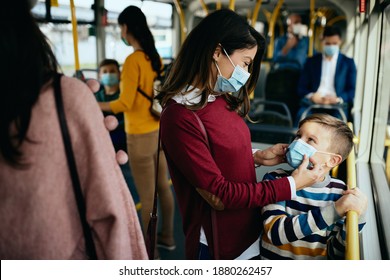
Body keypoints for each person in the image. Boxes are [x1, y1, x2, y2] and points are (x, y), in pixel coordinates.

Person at [157, 9, 327, 260]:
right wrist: (292, 185)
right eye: (245, 62)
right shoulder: (180, 116)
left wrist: (257, 156)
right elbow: (219, 196)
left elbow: (216, 151)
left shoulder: (218, 97)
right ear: (216, 52)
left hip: (249, 230)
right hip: (218, 243)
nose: (246, 73)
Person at [0, 0, 147, 259]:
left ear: (126, 28)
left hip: (136, 129)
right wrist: (84, 106)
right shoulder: (64, 99)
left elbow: (123, 102)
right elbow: (116, 223)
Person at [98, 6, 176, 254]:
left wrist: (94, 103)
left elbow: (125, 103)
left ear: (126, 28)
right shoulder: (153, 58)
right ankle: (167, 237)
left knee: (146, 197)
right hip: (158, 130)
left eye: (120, 27)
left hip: (139, 136)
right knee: (163, 187)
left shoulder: (132, 61)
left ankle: (148, 254)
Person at [260, 113, 367, 260]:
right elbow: (276, 233)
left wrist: (359, 215)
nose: (297, 143)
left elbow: (336, 251)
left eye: (310, 140)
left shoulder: (339, 192)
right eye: (298, 136)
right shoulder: (275, 179)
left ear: (332, 160)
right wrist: (334, 211)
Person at [296, 26, 357, 124]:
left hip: (336, 106)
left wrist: (338, 99)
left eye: (334, 44)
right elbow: (301, 88)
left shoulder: (348, 63)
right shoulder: (311, 61)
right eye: (328, 43)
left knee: (338, 127)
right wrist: (312, 96)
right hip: (312, 104)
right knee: (301, 117)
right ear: (322, 41)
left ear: (340, 42)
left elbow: (352, 91)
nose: (331, 46)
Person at [95, 59, 126, 152]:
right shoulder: (96, 97)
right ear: (99, 76)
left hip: (123, 141)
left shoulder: (125, 96)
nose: (108, 74)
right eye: (105, 72)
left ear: (119, 74)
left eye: (112, 71)